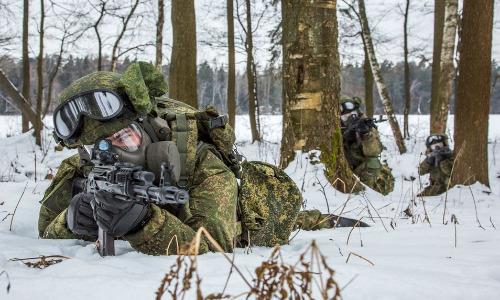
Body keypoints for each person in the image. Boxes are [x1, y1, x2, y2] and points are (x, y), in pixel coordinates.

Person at [39, 62, 366, 256]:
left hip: (246, 219)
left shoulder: (200, 160)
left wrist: (141, 223)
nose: (116, 152)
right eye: (103, 146)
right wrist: (73, 221)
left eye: (125, 136)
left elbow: (214, 247)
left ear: (150, 127)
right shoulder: (85, 167)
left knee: (299, 219)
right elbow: (45, 226)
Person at [340, 97, 394, 195]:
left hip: (363, 171)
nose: (350, 118)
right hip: (343, 171)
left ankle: (368, 195)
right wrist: (345, 138)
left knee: (372, 162)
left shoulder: (365, 126)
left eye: (353, 115)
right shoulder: (335, 130)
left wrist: (365, 134)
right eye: (345, 117)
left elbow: (373, 152)